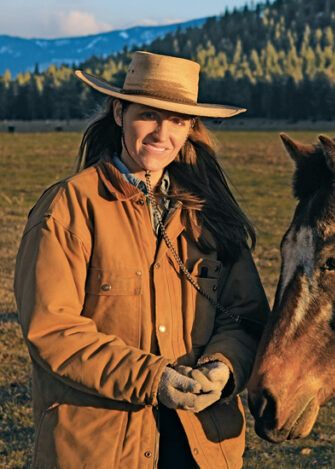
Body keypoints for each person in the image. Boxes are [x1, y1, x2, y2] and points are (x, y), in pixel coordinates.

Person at [14, 51, 270, 468]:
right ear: (119, 112)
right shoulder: (69, 207)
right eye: (149, 115)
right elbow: (52, 329)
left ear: (190, 128)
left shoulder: (211, 214)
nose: (161, 133)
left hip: (202, 447)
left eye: (177, 120)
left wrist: (223, 369)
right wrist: (154, 380)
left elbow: (245, 317)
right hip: (99, 449)